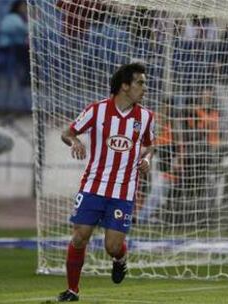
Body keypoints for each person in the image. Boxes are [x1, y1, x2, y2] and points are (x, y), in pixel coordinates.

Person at [57, 62, 155, 302]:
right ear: (124, 86)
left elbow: (150, 146)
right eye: (140, 82)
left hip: (123, 190)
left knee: (112, 247)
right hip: (93, 185)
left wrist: (148, 159)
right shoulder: (96, 110)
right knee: (80, 236)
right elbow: (67, 133)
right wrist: (76, 142)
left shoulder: (145, 116)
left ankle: (120, 259)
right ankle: (72, 290)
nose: (144, 87)